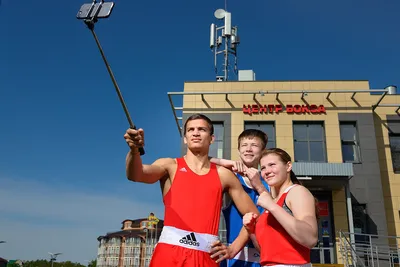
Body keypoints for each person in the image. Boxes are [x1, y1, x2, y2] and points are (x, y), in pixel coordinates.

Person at [124, 113, 260, 267]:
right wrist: (134, 151)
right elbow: (136, 174)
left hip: (207, 256)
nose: (195, 133)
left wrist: (233, 249)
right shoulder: (170, 165)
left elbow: (254, 215)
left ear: (212, 138)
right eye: (191, 130)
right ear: (185, 138)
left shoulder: (224, 175)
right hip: (169, 254)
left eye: (201, 129)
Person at [243, 148, 318, 267]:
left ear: (288, 166)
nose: (267, 171)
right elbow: (266, 252)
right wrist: (251, 231)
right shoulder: (272, 202)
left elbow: (310, 238)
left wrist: (272, 206)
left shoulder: (297, 192)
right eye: (263, 168)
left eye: (272, 165)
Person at [210, 129, 270, 267]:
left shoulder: (270, 182)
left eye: (254, 145)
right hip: (234, 258)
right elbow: (200, 161)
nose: (248, 149)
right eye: (244, 145)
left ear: (263, 151)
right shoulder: (229, 179)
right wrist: (227, 163)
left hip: (265, 256)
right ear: (238, 150)